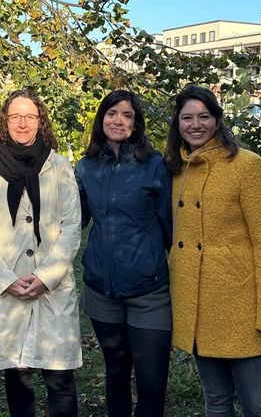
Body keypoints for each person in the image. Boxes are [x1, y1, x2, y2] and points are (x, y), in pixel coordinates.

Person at [165, 84, 261, 417]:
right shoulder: (175, 170)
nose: (195, 124)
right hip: (197, 307)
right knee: (216, 400)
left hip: (242, 309)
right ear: (178, 123)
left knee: (257, 405)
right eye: (187, 117)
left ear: (218, 120)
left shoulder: (248, 165)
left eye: (204, 116)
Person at [0, 89, 81, 417]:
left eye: (29, 116)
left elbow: (72, 227)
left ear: (40, 121)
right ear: (5, 121)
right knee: (18, 380)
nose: (22, 123)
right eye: (15, 116)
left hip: (52, 289)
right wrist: (6, 279)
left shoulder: (59, 168)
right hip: (9, 289)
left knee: (60, 380)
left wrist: (46, 277)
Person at [75, 89, 172, 417]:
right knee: (116, 370)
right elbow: (75, 221)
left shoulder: (154, 166)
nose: (118, 120)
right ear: (101, 120)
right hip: (101, 290)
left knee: (151, 382)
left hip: (149, 291)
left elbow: (171, 228)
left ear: (136, 123)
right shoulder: (86, 167)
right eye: (112, 113)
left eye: (127, 115)